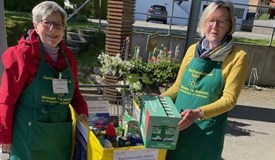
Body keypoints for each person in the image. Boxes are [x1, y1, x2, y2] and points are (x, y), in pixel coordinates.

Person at [0, 1, 88, 160]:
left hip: (60, 135)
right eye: (47, 23)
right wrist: (5, 135)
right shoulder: (22, 55)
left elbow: (74, 91)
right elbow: (7, 100)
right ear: (35, 24)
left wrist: (82, 109)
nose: (53, 29)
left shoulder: (68, 57)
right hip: (28, 135)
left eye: (58, 24)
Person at [162, 1, 248, 160]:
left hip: (205, 134)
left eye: (221, 21)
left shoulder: (237, 57)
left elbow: (229, 100)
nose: (214, 25)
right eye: (211, 20)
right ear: (204, 23)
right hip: (177, 127)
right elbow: (179, 86)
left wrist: (198, 113)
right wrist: (160, 99)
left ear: (229, 26)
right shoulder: (192, 50)